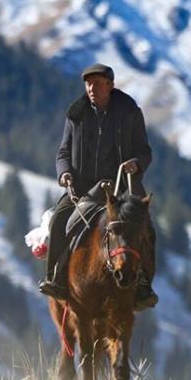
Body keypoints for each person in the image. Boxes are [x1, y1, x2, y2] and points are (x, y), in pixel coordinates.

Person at [38, 62, 158, 310]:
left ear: (110, 86)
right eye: (88, 83)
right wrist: (65, 174)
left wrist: (136, 163)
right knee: (59, 221)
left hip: (122, 189)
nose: (91, 88)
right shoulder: (76, 114)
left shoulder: (129, 112)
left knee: (148, 228)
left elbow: (145, 151)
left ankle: (143, 285)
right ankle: (55, 278)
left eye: (97, 83)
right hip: (83, 188)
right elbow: (63, 152)